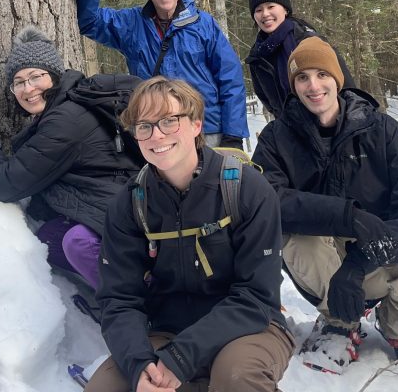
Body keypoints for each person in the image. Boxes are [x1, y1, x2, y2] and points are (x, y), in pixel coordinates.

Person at [251, 37, 398, 373]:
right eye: (302, 78)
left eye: (321, 75)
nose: (313, 86)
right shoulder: (276, 138)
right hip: (321, 258)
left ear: (337, 78)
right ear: (293, 85)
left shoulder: (382, 131)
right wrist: (347, 217)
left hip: (373, 251)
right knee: (299, 242)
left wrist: (358, 261)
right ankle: (339, 323)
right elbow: (269, 200)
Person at [86, 76, 292, 392]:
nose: (156, 135)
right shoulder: (130, 204)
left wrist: (183, 357)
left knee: (236, 378)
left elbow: (257, 295)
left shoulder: (247, 190)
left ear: (196, 124)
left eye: (169, 121)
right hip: (165, 331)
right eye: (144, 126)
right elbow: (118, 299)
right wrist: (140, 363)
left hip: (250, 326)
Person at [0, 26, 144, 290]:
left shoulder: (65, 120)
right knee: (50, 239)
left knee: (76, 242)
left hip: (119, 214)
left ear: (55, 76)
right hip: (113, 202)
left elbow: (5, 185)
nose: (28, 88)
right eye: (18, 82)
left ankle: (137, 303)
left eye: (36, 76)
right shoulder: (66, 107)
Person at [76, 0, 248, 149]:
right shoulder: (132, 24)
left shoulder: (203, 24)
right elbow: (90, 23)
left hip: (206, 131)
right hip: (158, 133)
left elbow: (231, 79)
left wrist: (233, 134)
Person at [244, 0, 355, 117]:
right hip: (289, 129)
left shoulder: (309, 41)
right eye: (258, 10)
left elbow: (347, 88)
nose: (265, 14)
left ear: (285, 10)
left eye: (271, 6)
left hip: (328, 125)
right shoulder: (257, 55)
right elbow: (267, 99)